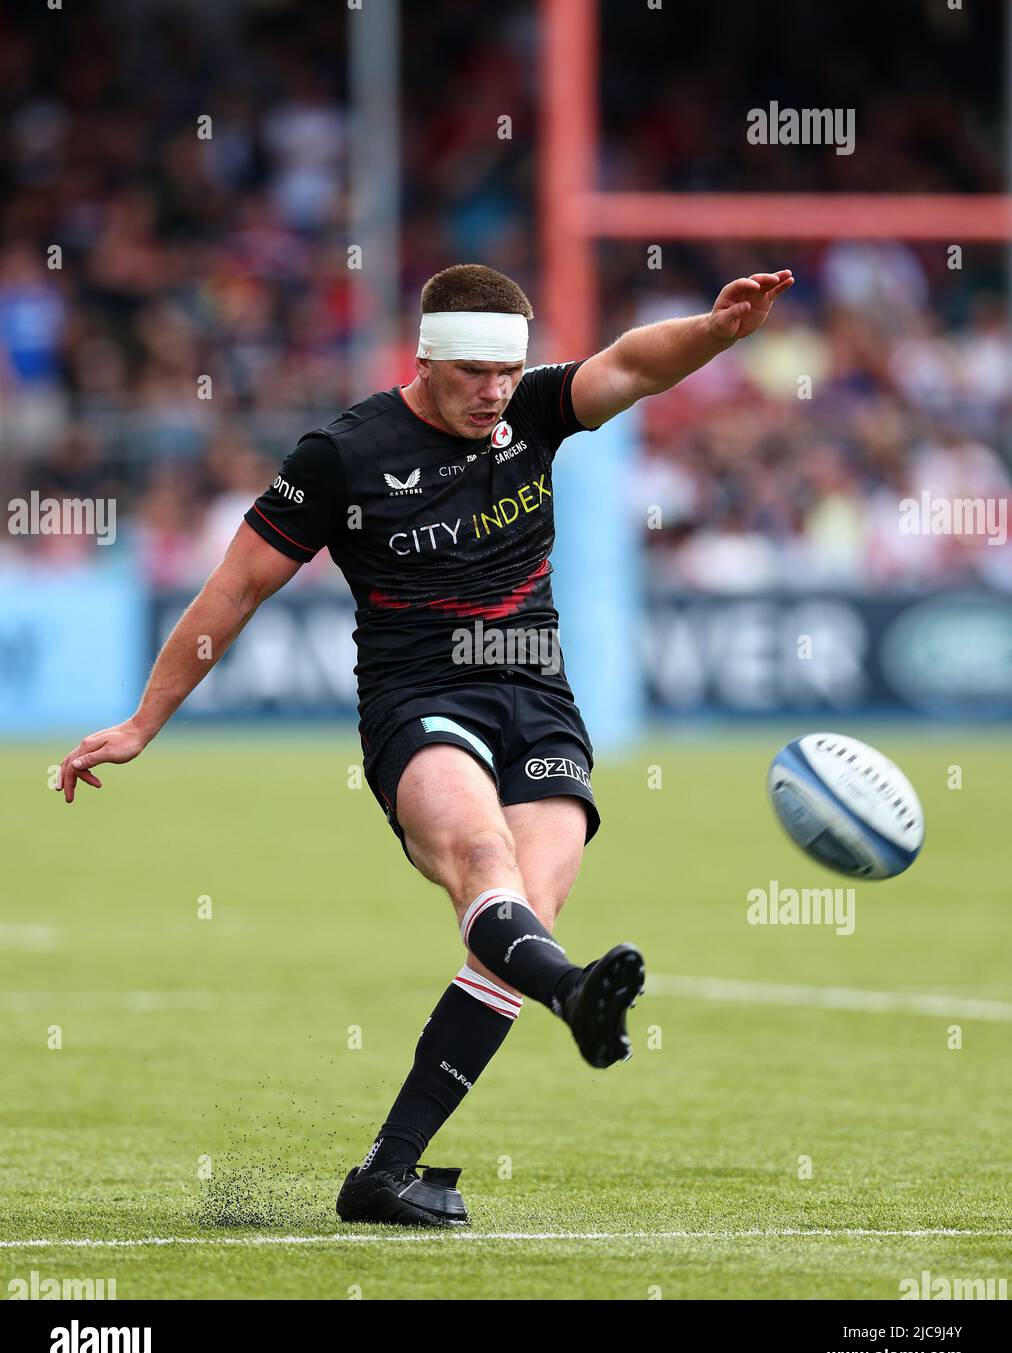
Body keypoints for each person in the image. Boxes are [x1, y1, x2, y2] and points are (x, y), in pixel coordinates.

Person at [56, 262, 794, 1227]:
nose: (496, 392)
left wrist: (717, 329)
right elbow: (234, 589)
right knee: (484, 867)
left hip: (538, 696)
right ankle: (573, 995)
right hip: (420, 699)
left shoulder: (531, 409)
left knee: (520, 917)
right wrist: (143, 721)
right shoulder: (341, 457)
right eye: (478, 373)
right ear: (429, 360)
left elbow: (633, 367)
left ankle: (385, 1173)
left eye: (508, 372)